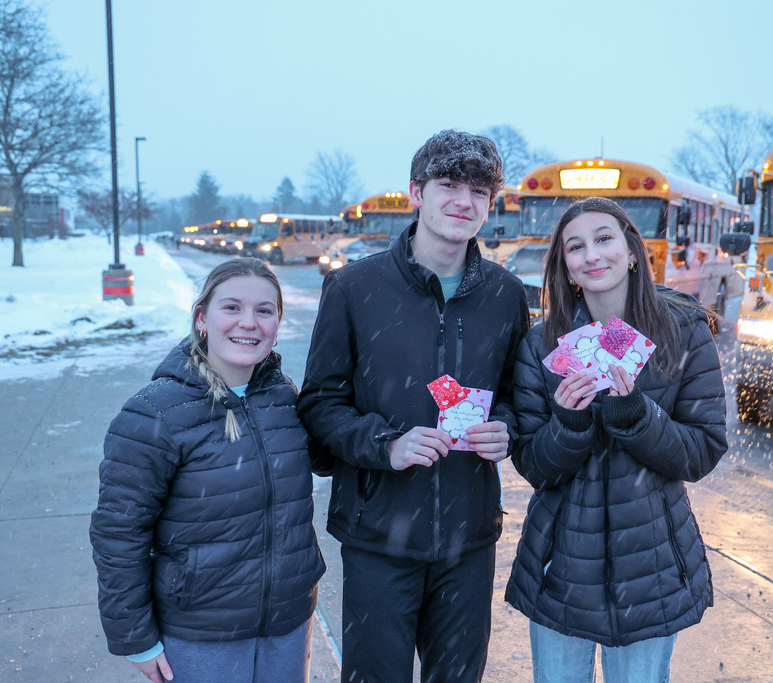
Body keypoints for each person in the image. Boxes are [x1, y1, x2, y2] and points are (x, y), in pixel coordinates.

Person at [298, 130, 530, 682]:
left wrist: (507, 428)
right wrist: (386, 445)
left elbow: (519, 396)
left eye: (479, 191)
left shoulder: (505, 295)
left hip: (468, 536)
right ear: (416, 193)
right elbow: (320, 404)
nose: (464, 201)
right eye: (448, 184)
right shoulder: (354, 287)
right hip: (378, 532)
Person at [504, 197, 728, 682]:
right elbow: (533, 465)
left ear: (631, 252)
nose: (592, 255)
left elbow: (702, 451)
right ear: (565, 267)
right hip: (560, 565)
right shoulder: (541, 345)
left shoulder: (684, 330)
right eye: (575, 247)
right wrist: (569, 424)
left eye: (604, 238)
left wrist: (638, 417)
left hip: (652, 566)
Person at [90, 258, 326, 683]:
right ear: (202, 318)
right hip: (202, 634)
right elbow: (119, 533)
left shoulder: (284, 397)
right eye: (232, 307)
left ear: (277, 325)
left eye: (264, 310)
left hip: (288, 624)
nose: (249, 323)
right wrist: (135, 637)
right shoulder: (154, 413)